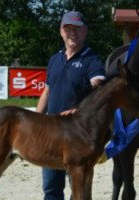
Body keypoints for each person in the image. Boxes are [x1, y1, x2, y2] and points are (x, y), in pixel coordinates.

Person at [36, 10, 106, 200]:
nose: (72, 33)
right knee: (50, 188)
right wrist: (37, 120)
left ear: (85, 31)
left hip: (77, 135)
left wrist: (77, 111)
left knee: (78, 189)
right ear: (61, 31)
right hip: (51, 131)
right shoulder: (54, 59)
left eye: (77, 28)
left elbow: (101, 95)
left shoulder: (92, 60)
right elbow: (47, 92)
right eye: (68, 28)